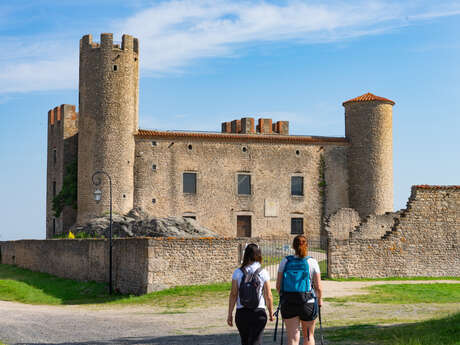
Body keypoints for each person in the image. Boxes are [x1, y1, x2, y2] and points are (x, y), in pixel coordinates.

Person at [276, 235, 323, 345]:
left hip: (288, 302)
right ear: (306, 246)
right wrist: (320, 300)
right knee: (308, 336)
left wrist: (284, 297)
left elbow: (278, 286)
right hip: (307, 302)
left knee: (292, 338)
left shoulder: (285, 261)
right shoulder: (312, 262)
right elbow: (318, 287)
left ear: (293, 246)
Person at [228, 243, 274, 345]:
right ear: (258, 255)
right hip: (259, 312)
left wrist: (230, 314)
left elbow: (233, 294)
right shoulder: (263, 272)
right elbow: (268, 295)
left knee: (245, 341)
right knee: (256, 341)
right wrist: (271, 312)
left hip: (242, 312)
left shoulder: (238, 272)